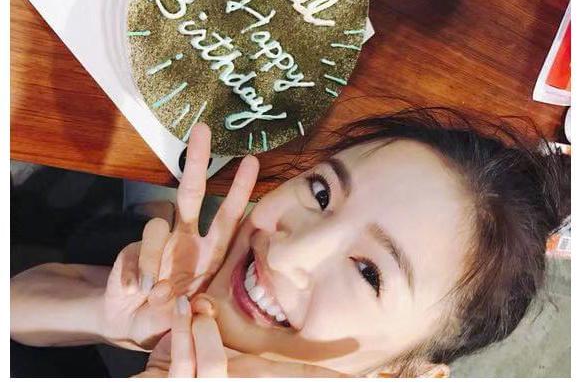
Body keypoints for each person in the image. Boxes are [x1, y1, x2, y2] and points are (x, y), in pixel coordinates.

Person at [10, 108, 570, 377]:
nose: (284, 252)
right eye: (322, 193)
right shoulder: (187, 287)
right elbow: (20, 298)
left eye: (370, 272)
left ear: (403, 375)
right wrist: (117, 322)